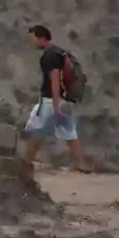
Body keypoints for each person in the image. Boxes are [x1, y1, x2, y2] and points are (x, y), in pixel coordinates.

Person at [23, 25, 99, 172]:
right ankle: (80, 163)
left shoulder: (49, 55)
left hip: (51, 100)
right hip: (64, 100)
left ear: (42, 38)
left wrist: (56, 104)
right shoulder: (59, 52)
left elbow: (55, 79)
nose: (31, 42)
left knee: (36, 129)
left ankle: (26, 162)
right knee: (70, 132)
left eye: (33, 38)